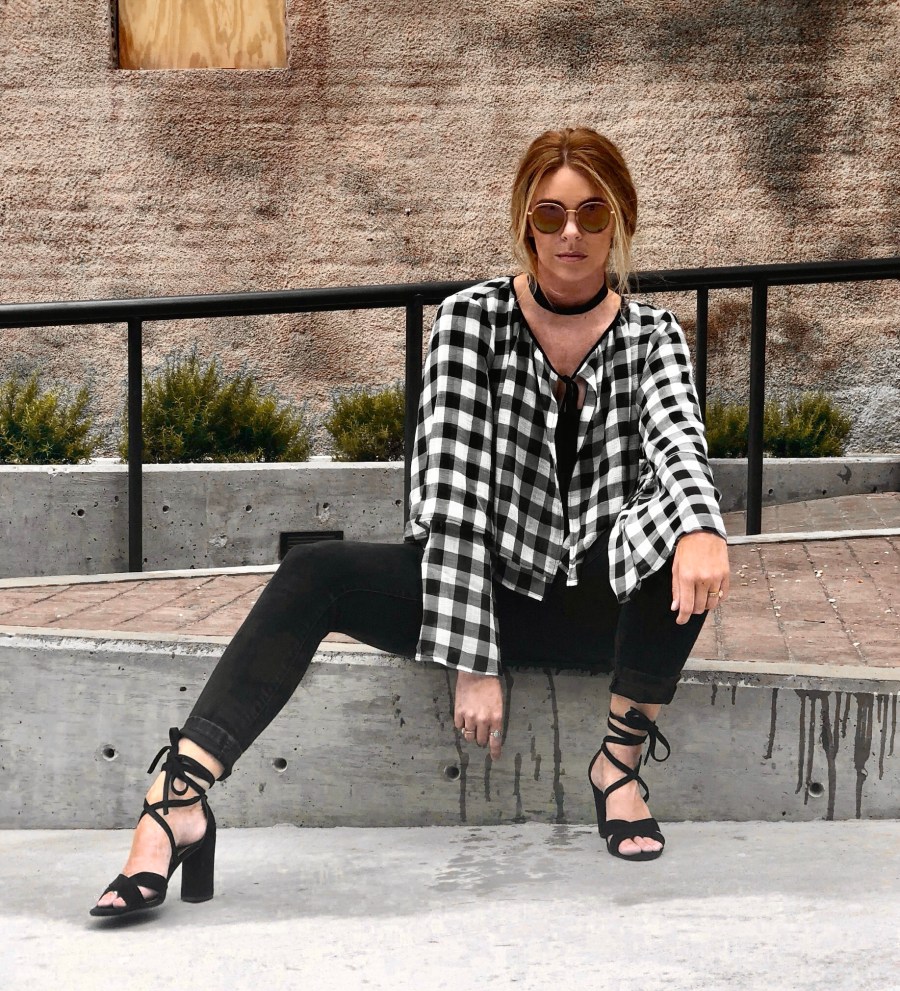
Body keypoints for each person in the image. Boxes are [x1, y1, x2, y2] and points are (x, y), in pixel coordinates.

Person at [90, 126, 729, 918]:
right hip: (483, 589)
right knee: (314, 572)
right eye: (551, 213)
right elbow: (451, 490)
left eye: (592, 214)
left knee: (689, 532)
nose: (571, 233)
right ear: (525, 222)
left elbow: (679, 445)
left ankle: (618, 768)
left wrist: (702, 528)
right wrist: (473, 656)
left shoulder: (652, 335)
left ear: (620, 221)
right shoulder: (471, 320)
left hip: (599, 603)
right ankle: (177, 800)